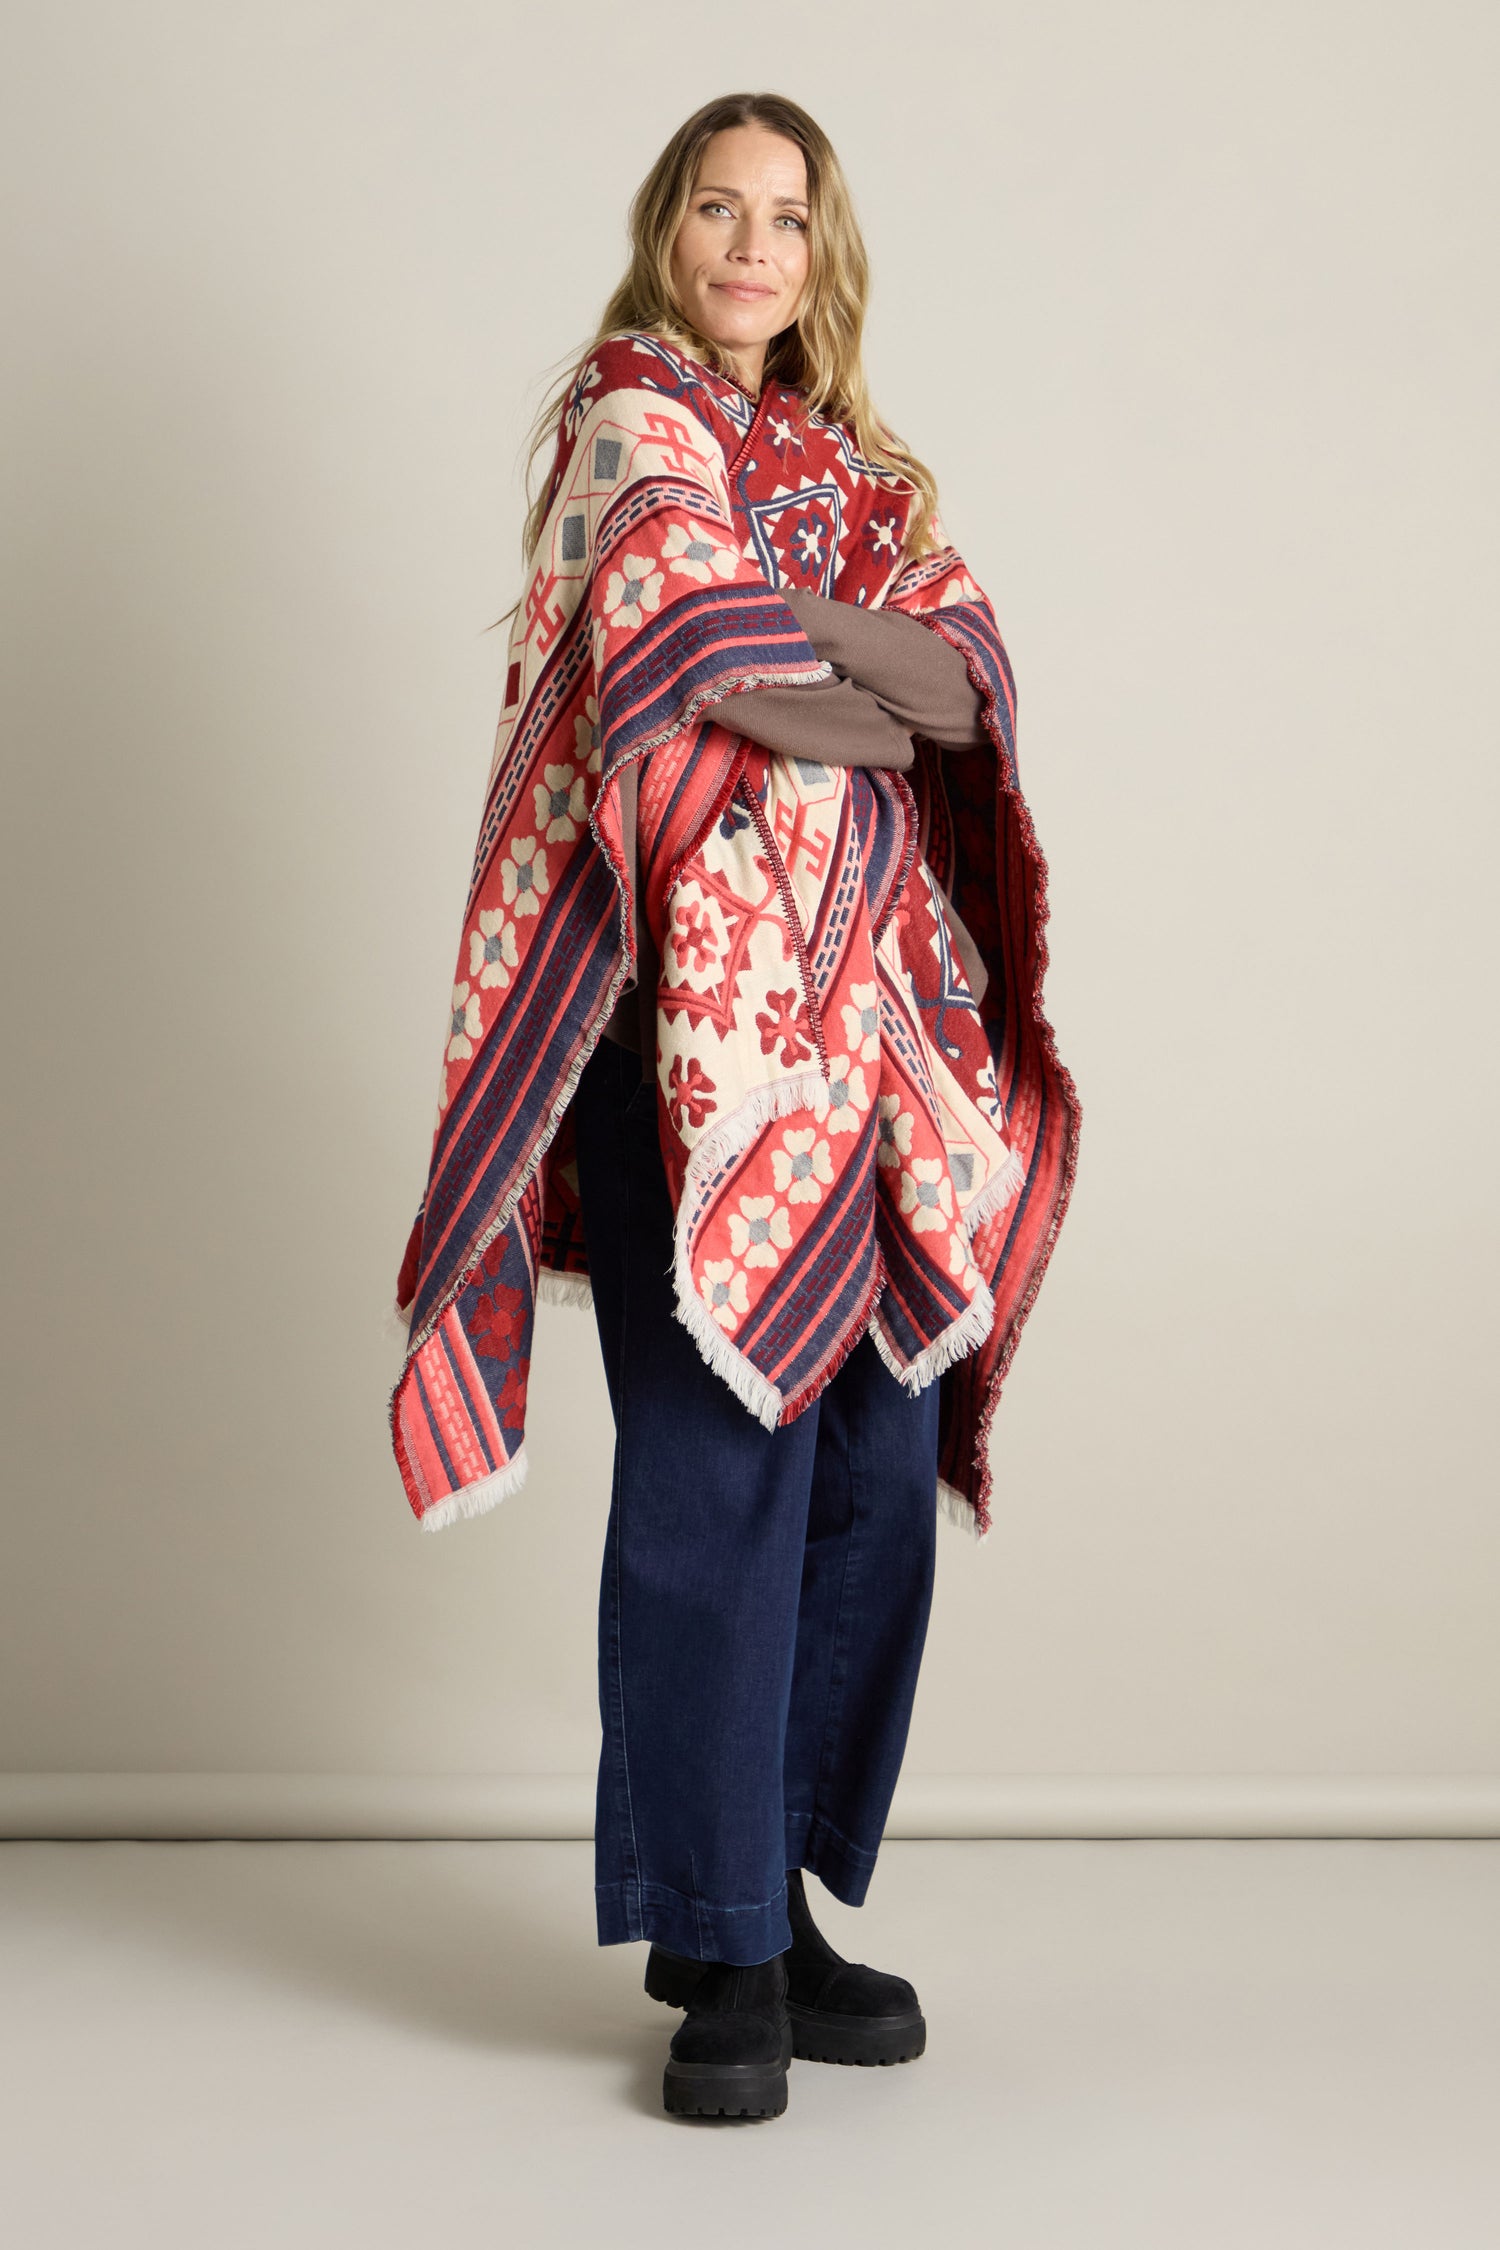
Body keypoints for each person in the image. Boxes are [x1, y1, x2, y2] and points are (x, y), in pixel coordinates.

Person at [387, 91, 1081, 2124]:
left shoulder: (861, 468)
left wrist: (808, 658)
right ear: (671, 229)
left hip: (863, 1049)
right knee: (718, 1472)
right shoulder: (630, 422)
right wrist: (814, 666)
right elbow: (698, 656)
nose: (753, 243)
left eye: (789, 216)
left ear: (822, 253)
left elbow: (967, 685)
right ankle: (713, 1949)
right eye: (721, 205)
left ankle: (756, 1902)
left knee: (868, 1458)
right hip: (672, 1038)